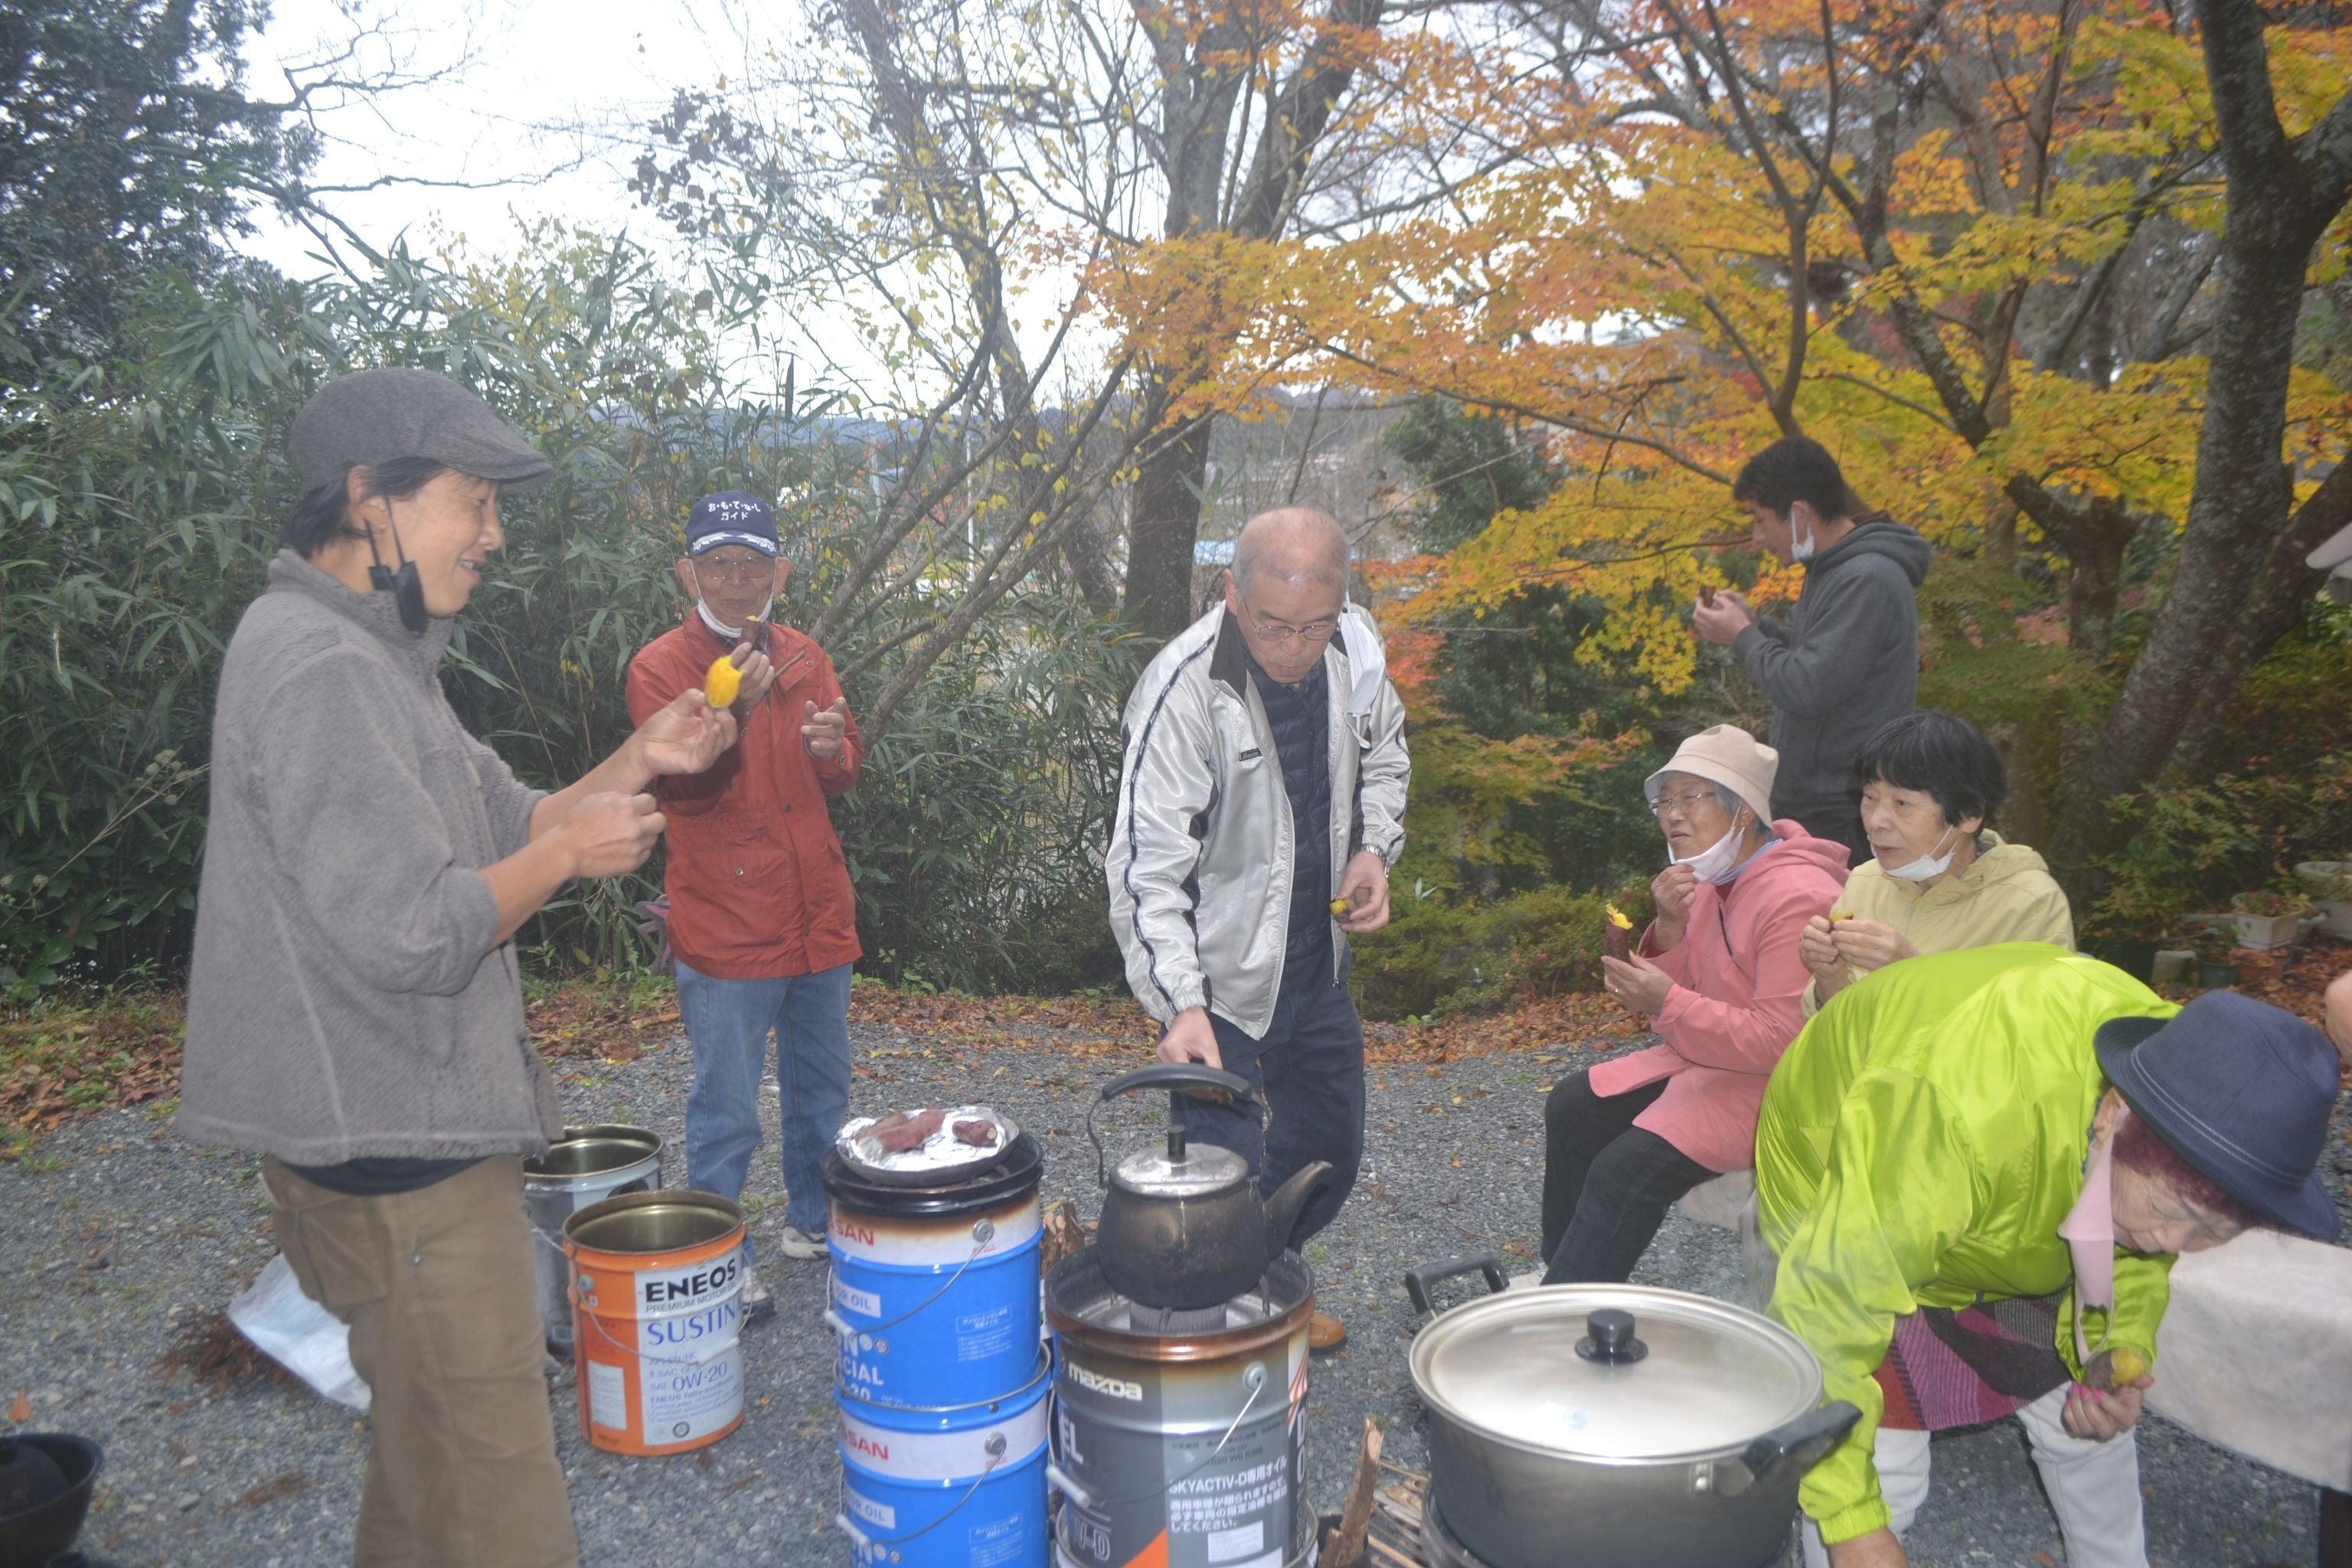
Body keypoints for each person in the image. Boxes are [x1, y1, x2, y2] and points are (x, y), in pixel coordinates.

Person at [179, 368, 738, 1568]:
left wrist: (640, 759)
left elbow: (519, 821)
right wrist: (566, 858)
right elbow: (415, 930)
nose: (495, 534)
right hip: (399, 1170)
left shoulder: (380, 659)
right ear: (369, 498)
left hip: (402, 1149)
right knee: (497, 1506)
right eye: (474, 501)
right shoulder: (323, 671)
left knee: (426, 1479)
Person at [1756, 942, 2342, 1568]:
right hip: (1848, 1182)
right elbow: (1828, 1311)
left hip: (2016, 1190)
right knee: (1884, 1470)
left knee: (2088, 1436)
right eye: (2174, 1215)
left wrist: (2119, 1344)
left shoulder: (2196, 1084)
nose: (2172, 1246)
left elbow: (2146, 1241)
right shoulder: (1954, 1115)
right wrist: (1854, 1529)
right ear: (2112, 1116)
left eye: (2209, 1233)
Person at [1106, 506, 1410, 1351]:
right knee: (1220, 1171)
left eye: (1316, 625)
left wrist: (1374, 849)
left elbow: (1387, 755)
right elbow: (1145, 864)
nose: (1294, 648)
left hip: (1319, 964)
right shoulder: (1184, 688)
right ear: (1233, 591)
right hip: (1220, 980)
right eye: (1275, 624)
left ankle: (1270, 1288)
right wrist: (1179, 1003)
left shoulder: (1355, 651)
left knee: (1327, 1150)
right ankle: (1219, 1331)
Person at [626, 490, 861, 1318]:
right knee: (726, 1106)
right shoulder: (661, 666)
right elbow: (678, 794)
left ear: (780, 571)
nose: (735, 580)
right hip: (726, 923)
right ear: (686, 570)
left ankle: (817, 1221)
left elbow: (843, 765)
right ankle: (719, 1252)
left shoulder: (803, 654)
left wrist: (834, 748)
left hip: (817, 911)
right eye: (719, 563)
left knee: (824, 1092)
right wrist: (729, 711)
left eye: (753, 563)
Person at [1542, 724, 1845, 1283]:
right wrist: (1670, 926)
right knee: (1572, 1108)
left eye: (1689, 797)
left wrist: (1669, 1002)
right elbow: (1690, 991)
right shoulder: (1710, 879)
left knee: (1624, 1169)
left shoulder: (1799, 895)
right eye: (1664, 799)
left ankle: (1569, 1311)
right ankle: (1559, 1276)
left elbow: (1784, 1043)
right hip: (1707, 1061)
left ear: (1744, 812)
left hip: (1777, 1089)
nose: (1670, 815)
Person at [1690, 436, 1931, 865]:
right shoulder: (1832, 572)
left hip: (1842, 810)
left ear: (1800, 513)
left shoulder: (1867, 578)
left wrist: (1743, 636)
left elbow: (1806, 687)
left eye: (1762, 520)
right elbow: (1814, 660)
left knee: (1829, 931)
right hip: (1817, 804)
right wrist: (1755, 625)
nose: (1758, 536)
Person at [1799, 710, 2072, 1014]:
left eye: (1902, 803)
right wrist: (1829, 976)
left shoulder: (2029, 903)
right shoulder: (1866, 881)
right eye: (1870, 798)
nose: (1876, 822)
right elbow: (1838, 1032)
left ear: (1969, 814)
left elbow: (2035, 1036)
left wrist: (1911, 971)